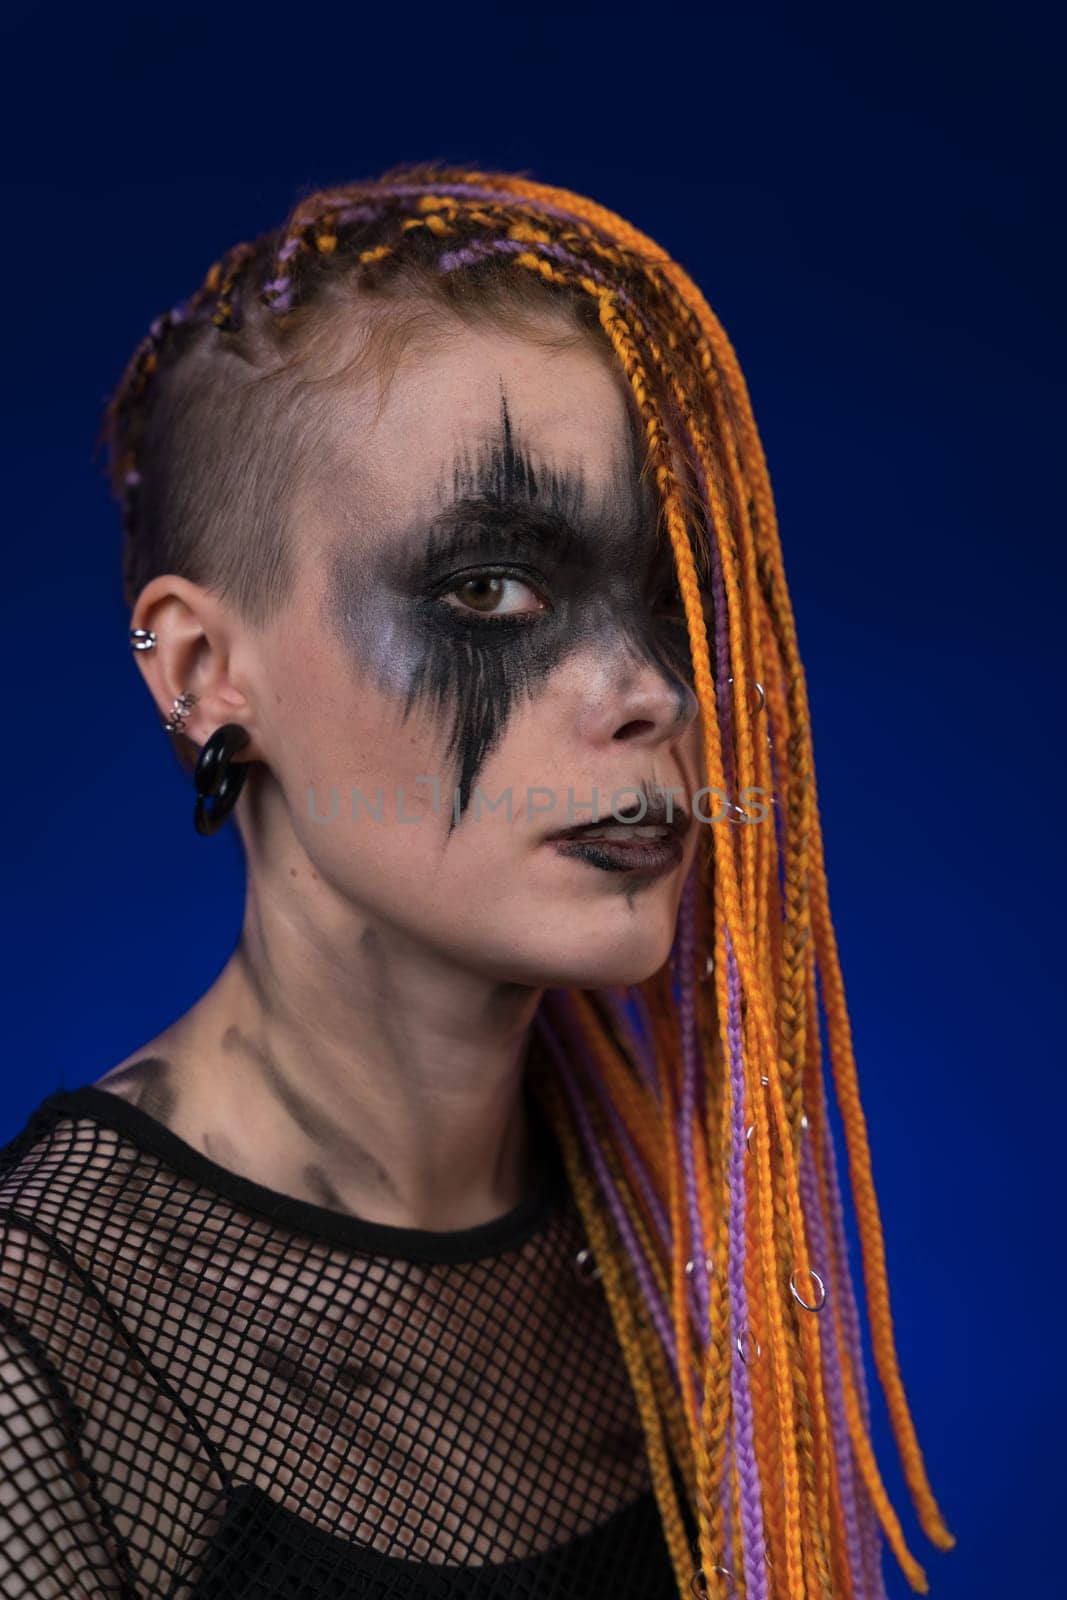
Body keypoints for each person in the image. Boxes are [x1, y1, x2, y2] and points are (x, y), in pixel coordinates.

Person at [0, 163, 954, 1598]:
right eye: (490, 591)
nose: (646, 693)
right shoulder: (48, 1344)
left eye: (677, 592)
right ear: (202, 674)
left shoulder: (675, 1242)